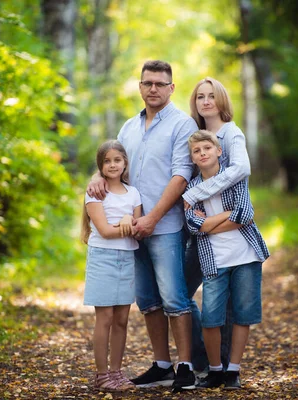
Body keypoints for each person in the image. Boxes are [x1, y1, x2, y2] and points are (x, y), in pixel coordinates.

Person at [86, 60, 199, 391]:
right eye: (148, 83)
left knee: (175, 299)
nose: (153, 89)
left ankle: (186, 367)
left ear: (171, 88)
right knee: (148, 300)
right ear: (140, 86)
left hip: (164, 227)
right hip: (130, 231)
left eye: (160, 84)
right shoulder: (128, 128)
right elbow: (113, 163)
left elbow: (182, 175)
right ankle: (161, 364)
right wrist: (96, 175)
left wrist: (153, 218)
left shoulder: (182, 124)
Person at [184, 130, 270, 390]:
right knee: (211, 317)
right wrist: (225, 216)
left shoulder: (235, 177)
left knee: (243, 315)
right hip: (213, 260)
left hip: (246, 255)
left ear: (218, 151)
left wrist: (207, 223)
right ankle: (215, 370)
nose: (203, 154)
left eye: (207, 149)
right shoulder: (191, 188)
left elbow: (245, 215)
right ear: (193, 158)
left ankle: (233, 370)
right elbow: (192, 226)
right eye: (197, 152)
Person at [183, 77, 252, 369]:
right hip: (193, 229)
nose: (206, 101)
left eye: (212, 95)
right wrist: (102, 175)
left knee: (225, 305)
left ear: (221, 99)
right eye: (200, 96)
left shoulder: (231, 134)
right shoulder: (193, 133)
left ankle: (224, 366)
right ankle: (202, 358)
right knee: (178, 295)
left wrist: (197, 193)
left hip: (224, 231)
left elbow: (242, 169)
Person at [81, 140, 143, 391]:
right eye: (107, 161)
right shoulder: (95, 192)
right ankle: (101, 375)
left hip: (127, 259)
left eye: (117, 160)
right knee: (104, 318)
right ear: (100, 166)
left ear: (125, 163)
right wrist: (127, 225)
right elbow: (105, 231)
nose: (112, 164)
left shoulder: (134, 193)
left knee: (122, 319)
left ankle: (116, 374)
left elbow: (138, 230)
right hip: (103, 259)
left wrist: (130, 219)